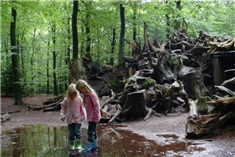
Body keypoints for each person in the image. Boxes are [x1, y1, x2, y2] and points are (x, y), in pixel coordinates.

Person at [75, 79, 101, 153]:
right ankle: (94, 147)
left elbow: (97, 106)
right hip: (91, 117)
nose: (80, 92)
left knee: (90, 133)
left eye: (80, 90)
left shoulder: (91, 94)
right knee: (94, 133)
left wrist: (96, 116)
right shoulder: (86, 95)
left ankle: (88, 149)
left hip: (94, 118)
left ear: (83, 87)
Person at [60, 83, 86, 151]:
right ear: (68, 94)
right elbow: (63, 108)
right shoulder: (66, 100)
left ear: (77, 93)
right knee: (71, 133)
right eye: (71, 95)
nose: (73, 96)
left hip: (78, 120)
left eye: (74, 94)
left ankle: (79, 145)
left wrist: (83, 117)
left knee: (77, 132)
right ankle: (72, 145)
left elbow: (82, 108)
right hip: (70, 120)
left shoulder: (79, 99)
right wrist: (62, 115)